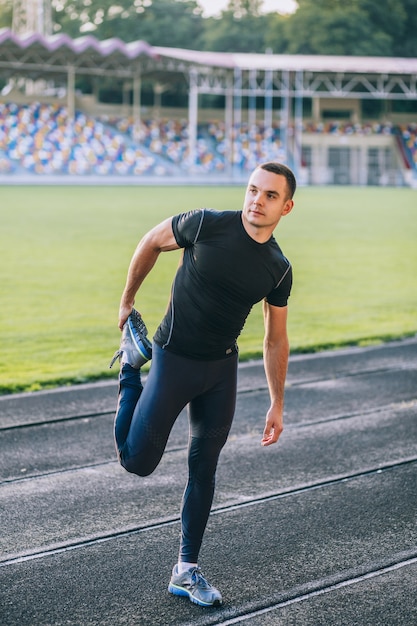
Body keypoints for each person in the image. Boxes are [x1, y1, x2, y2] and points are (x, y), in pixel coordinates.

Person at [110, 161, 296, 607]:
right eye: (253, 190)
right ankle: (130, 368)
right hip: (173, 359)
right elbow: (152, 241)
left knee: (204, 469)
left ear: (286, 207)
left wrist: (277, 402)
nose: (257, 200)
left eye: (270, 195)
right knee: (137, 460)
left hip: (219, 373)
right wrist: (127, 300)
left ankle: (186, 569)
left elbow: (276, 338)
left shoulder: (279, 268)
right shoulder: (207, 224)